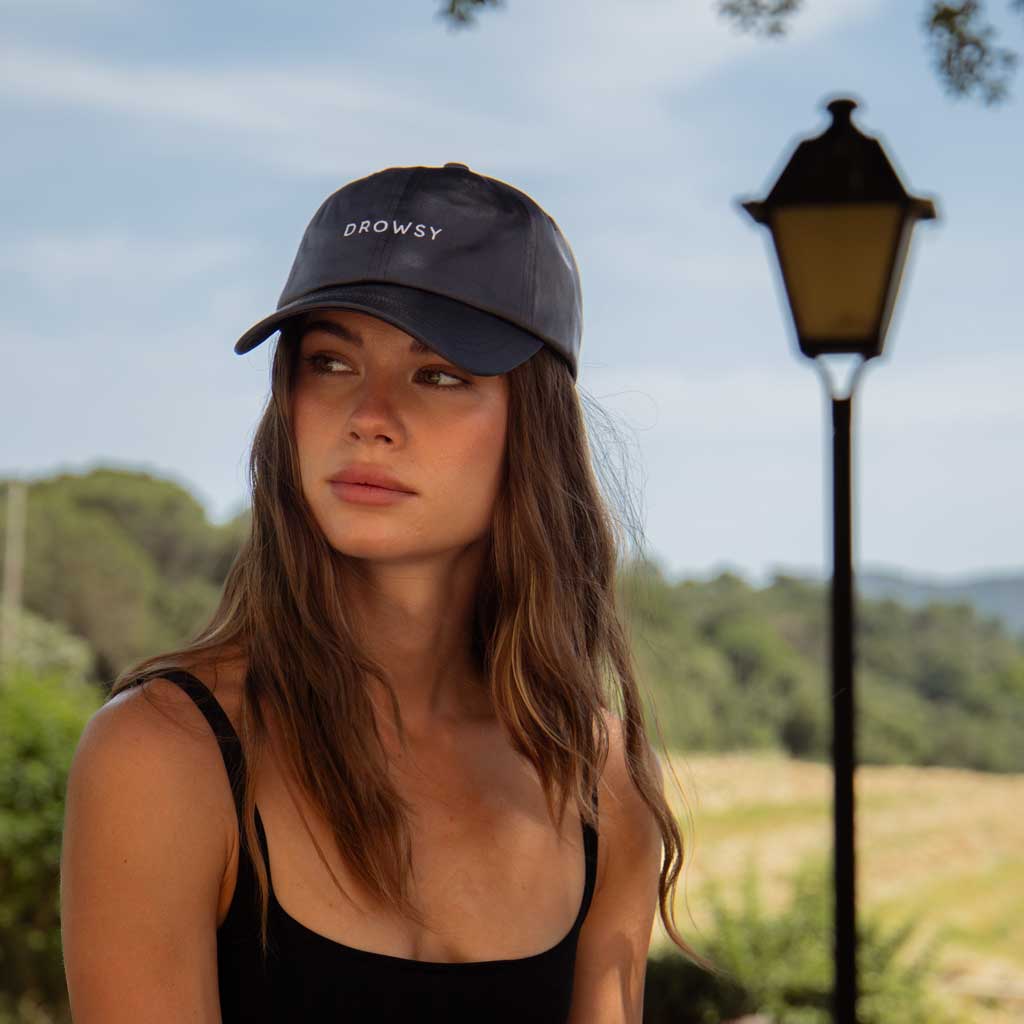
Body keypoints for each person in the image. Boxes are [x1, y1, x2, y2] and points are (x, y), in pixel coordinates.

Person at [59, 162, 715, 1023]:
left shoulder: (600, 781)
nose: (368, 417)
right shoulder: (165, 757)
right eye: (330, 362)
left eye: (437, 374)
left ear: (536, 427)